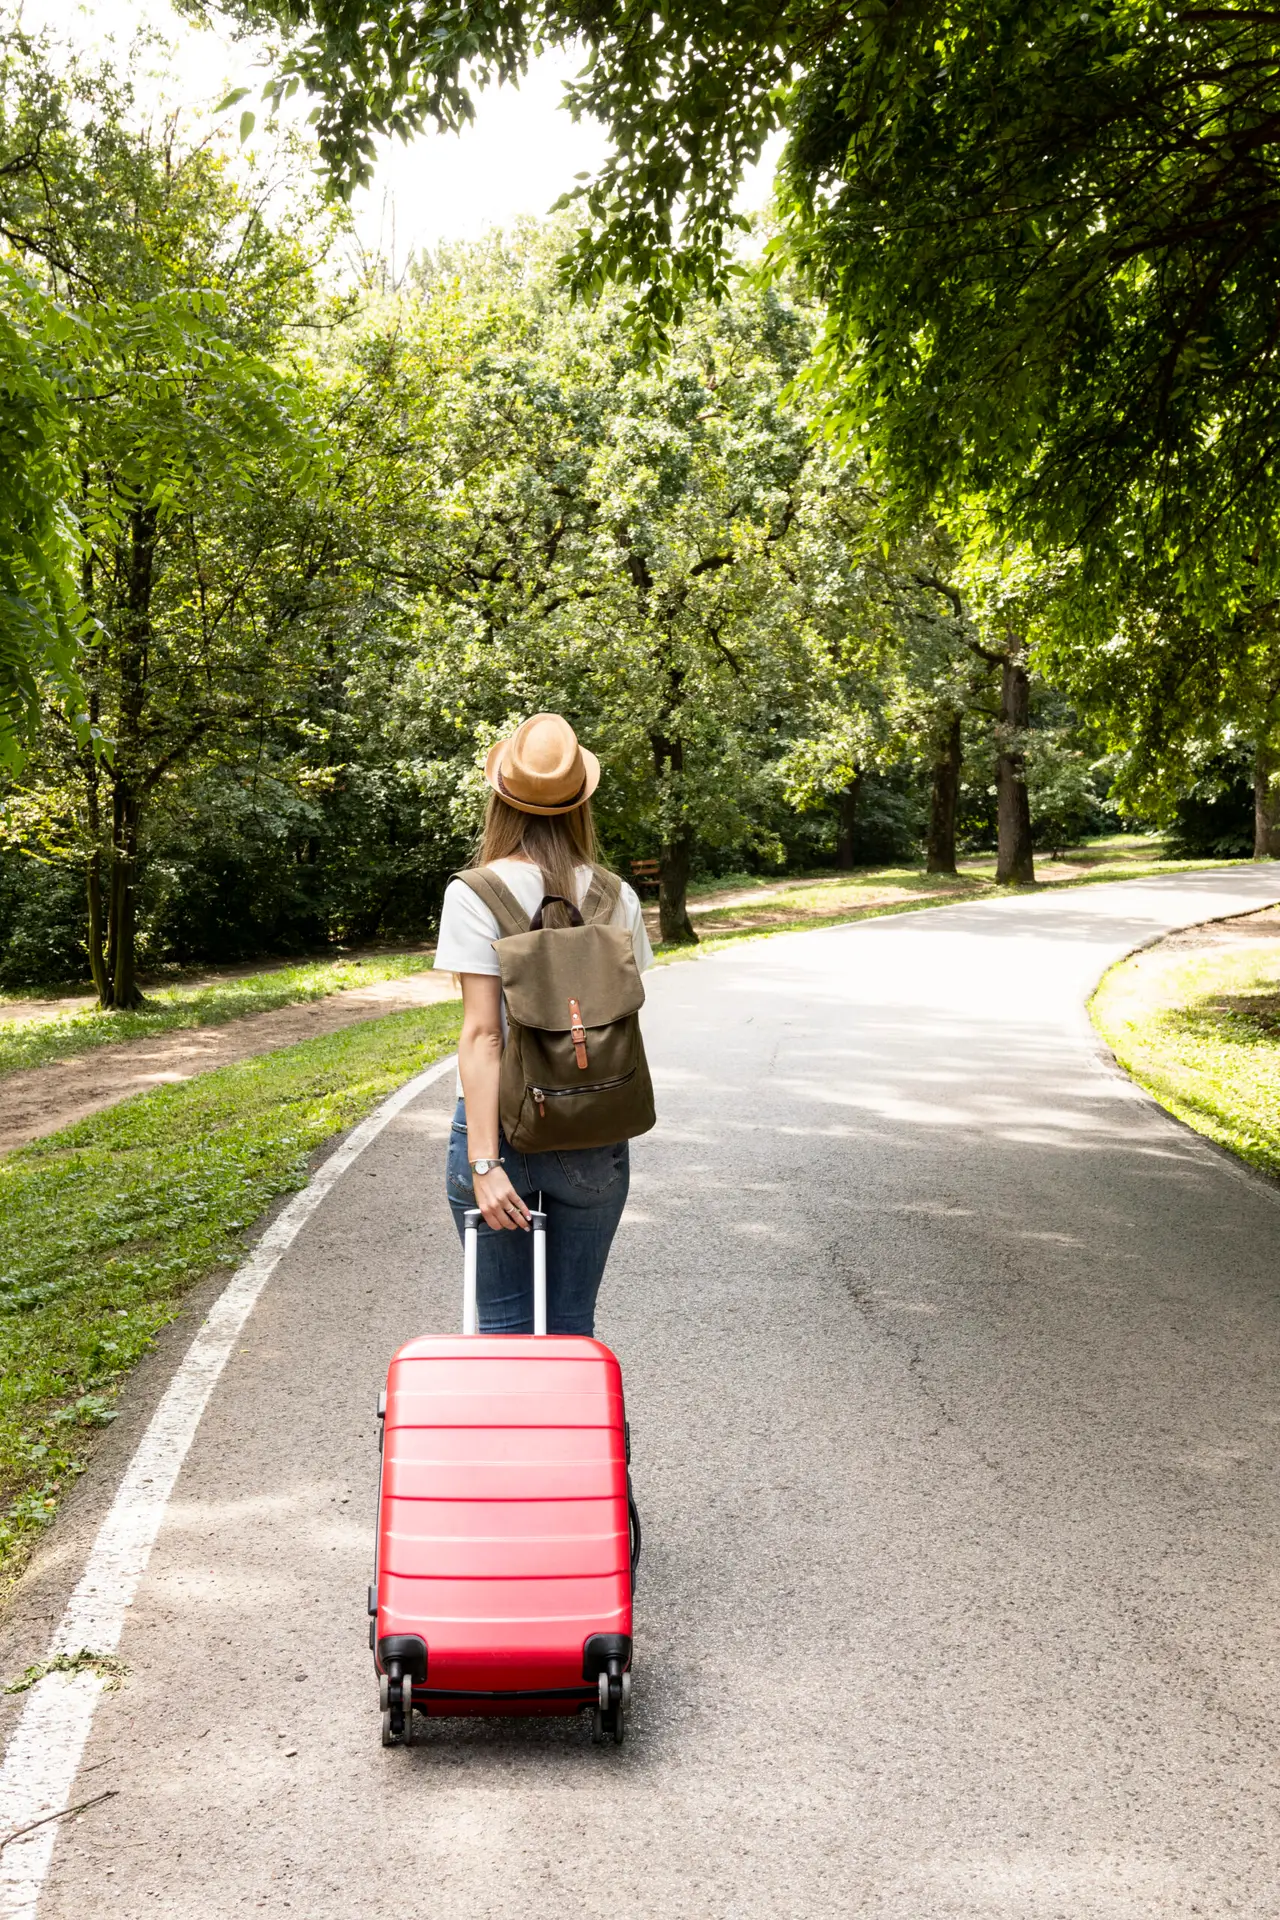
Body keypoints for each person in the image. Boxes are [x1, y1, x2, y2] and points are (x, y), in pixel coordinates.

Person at [433, 713, 653, 1334]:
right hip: (592, 1129)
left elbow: (483, 1034)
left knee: (502, 1334)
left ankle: (510, 1435)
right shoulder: (616, 896)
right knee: (571, 1326)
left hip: (495, 1133)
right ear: (582, 801)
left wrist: (483, 1164)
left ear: (501, 799)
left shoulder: (475, 893)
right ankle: (577, 1433)